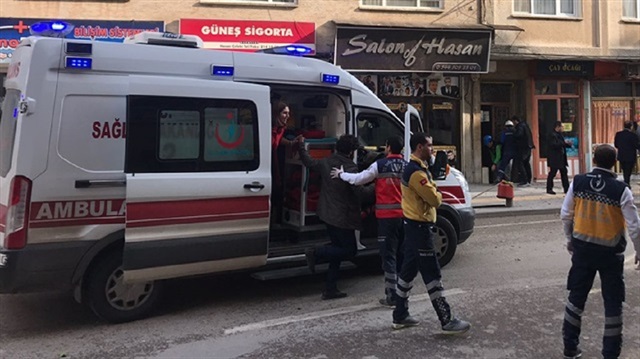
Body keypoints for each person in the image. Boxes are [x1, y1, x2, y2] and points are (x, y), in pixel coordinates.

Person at [560, 144, 640, 359]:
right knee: (613, 305)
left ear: (593, 160)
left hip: (583, 250)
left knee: (576, 299)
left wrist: (570, 240)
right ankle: (610, 353)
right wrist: (639, 252)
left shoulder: (578, 182)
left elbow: (566, 214)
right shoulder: (621, 190)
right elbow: (634, 226)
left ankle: (570, 346)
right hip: (610, 255)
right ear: (614, 163)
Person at [391, 132, 471, 334]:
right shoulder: (417, 173)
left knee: (407, 272)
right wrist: (436, 190)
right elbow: (435, 200)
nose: (432, 149)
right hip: (420, 229)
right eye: (429, 145)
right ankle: (447, 319)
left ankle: (400, 314)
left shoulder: (417, 169)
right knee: (432, 274)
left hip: (412, 226)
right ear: (419, 147)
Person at [330, 136, 407, 307]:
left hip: (387, 219)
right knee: (402, 254)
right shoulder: (408, 166)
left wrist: (342, 174)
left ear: (388, 147)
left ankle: (391, 295)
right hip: (404, 217)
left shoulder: (380, 165)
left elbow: (359, 179)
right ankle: (403, 294)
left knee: (388, 257)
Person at [301, 135, 372, 300]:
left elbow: (309, 162)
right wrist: (376, 185)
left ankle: (330, 288)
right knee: (349, 250)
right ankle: (315, 252)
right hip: (342, 217)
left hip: (327, 213)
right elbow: (361, 193)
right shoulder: (350, 168)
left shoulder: (326, 161)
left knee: (337, 250)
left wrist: (300, 147)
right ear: (351, 151)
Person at [271, 101, 301, 223]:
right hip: (271, 163)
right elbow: (274, 140)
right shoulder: (271, 127)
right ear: (276, 114)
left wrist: (292, 143)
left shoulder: (280, 129)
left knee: (278, 191)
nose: (287, 116)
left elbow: (278, 139)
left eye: (288, 113)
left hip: (276, 164)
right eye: (284, 113)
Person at [547, 121, 571, 195]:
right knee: (552, 173)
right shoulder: (552, 135)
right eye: (561, 127)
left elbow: (562, 144)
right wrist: (564, 143)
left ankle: (566, 189)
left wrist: (567, 144)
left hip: (561, 157)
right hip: (555, 158)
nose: (562, 128)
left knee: (564, 173)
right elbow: (554, 145)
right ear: (557, 127)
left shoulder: (560, 135)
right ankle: (549, 188)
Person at [613, 120, 640, 187]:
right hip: (630, 156)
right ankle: (627, 183)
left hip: (621, 155)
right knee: (628, 171)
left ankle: (626, 183)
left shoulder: (618, 134)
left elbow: (616, 145)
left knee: (625, 170)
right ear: (631, 127)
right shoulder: (633, 135)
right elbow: (636, 146)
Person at [512, 116, 534, 187]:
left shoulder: (520, 126)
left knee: (520, 163)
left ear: (516, 121)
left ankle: (524, 180)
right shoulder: (526, 125)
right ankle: (528, 179)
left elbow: (519, 135)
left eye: (513, 122)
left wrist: (514, 133)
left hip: (523, 148)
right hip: (528, 147)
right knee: (526, 163)